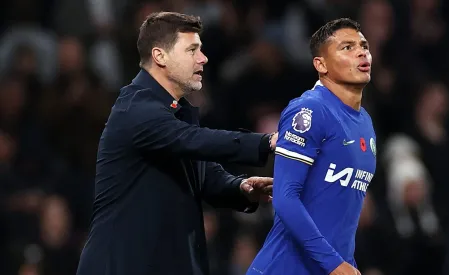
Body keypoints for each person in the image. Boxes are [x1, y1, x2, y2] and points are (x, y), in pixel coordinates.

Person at [76, 12, 278, 275]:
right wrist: (267, 141)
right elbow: (195, 140)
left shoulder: (176, 110)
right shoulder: (136, 108)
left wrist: (240, 187)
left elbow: (201, 174)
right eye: (192, 50)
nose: (203, 58)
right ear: (160, 56)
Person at [247, 18, 376, 275]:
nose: (362, 52)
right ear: (321, 64)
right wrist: (335, 265)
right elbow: (285, 199)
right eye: (347, 47)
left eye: (363, 45)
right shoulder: (310, 110)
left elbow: (343, 215)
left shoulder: (365, 122)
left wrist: (347, 264)